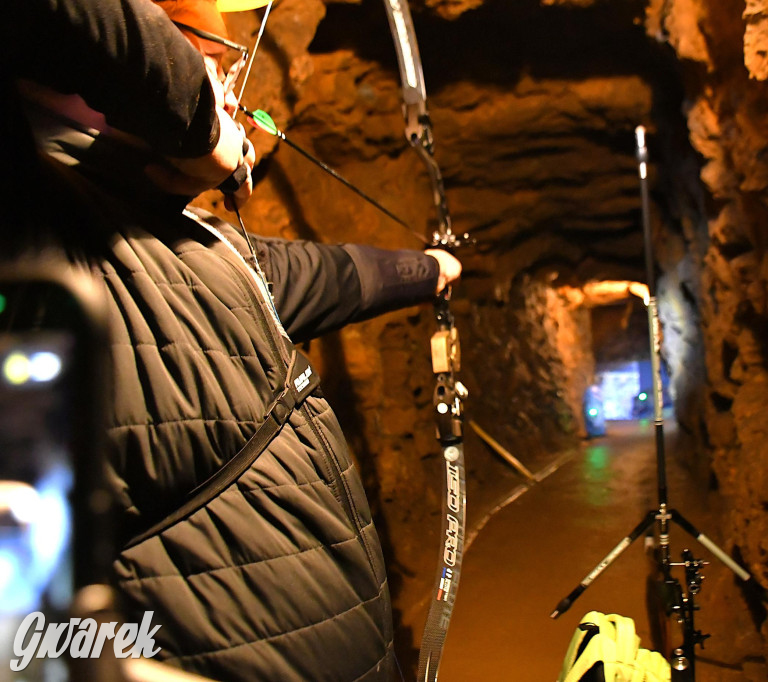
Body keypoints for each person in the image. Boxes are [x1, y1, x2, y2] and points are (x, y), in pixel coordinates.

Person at [2, 1, 459, 679]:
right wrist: (194, 120)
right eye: (212, 64)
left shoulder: (192, 240)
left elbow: (330, 276)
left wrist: (434, 270)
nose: (233, 94)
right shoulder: (34, 222)